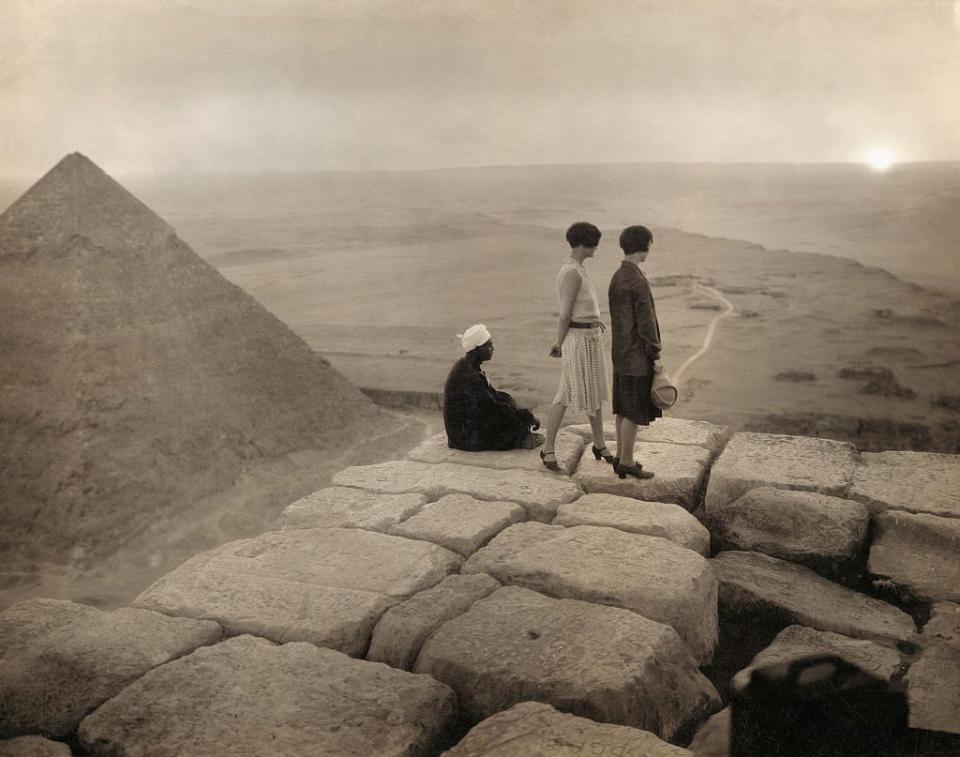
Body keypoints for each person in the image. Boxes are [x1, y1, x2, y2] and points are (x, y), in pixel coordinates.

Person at [540, 222, 614, 471]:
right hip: (579, 340)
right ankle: (548, 449)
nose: (597, 246)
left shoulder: (578, 268)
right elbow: (564, 314)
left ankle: (599, 444)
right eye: (594, 241)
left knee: (588, 390)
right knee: (566, 393)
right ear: (584, 243)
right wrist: (558, 343)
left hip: (589, 339)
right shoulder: (571, 272)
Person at [608, 224, 663, 479]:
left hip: (620, 355)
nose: (649, 250)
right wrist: (655, 354)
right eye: (648, 245)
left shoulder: (618, 276)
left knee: (623, 409)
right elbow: (646, 324)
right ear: (642, 246)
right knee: (633, 411)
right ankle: (627, 462)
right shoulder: (637, 280)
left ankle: (620, 457)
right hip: (636, 358)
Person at [443, 324, 544, 451]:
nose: (493, 349)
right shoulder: (470, 376)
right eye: (489, 346)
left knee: (506, 399)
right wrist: (526, 416)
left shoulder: (467, 365)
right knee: (507, 427)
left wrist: (514, 407)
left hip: (463, 431)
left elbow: (491, 397)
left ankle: (520, 432)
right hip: (463, 438)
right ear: (476, 349)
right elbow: (492, 408)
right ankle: (520, 437)